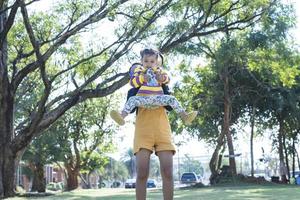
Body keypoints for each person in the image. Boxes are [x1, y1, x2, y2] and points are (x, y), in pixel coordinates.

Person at [110, 48, 197, 126]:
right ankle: (122, 116)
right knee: (132, 99)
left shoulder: (159, 71)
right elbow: (132, 83)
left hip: (158, 99)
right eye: (146, 61)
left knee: (172, 99)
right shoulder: (140, 71)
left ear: (156, 62)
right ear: (141, 61)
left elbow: (168, 80)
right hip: (143, 99)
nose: (148, 63)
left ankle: (184, 116)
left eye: (152, 61)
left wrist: (162, 78)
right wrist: (141, 78)